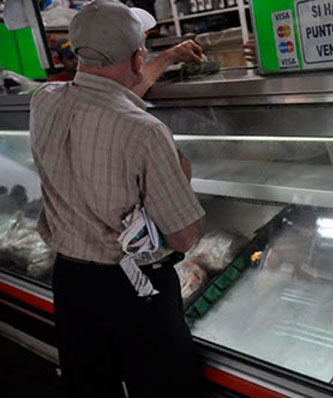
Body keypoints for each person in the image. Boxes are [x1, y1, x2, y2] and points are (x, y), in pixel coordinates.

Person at [29, 0, 207, 397]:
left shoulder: (45, 100)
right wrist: (178, 167)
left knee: (92, 387)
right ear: (138, 55)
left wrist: (169, 58)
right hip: (135, 291)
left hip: (71, 284)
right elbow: (183, 237)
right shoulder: (145, 131)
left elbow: (106, 94)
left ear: (77, 52)